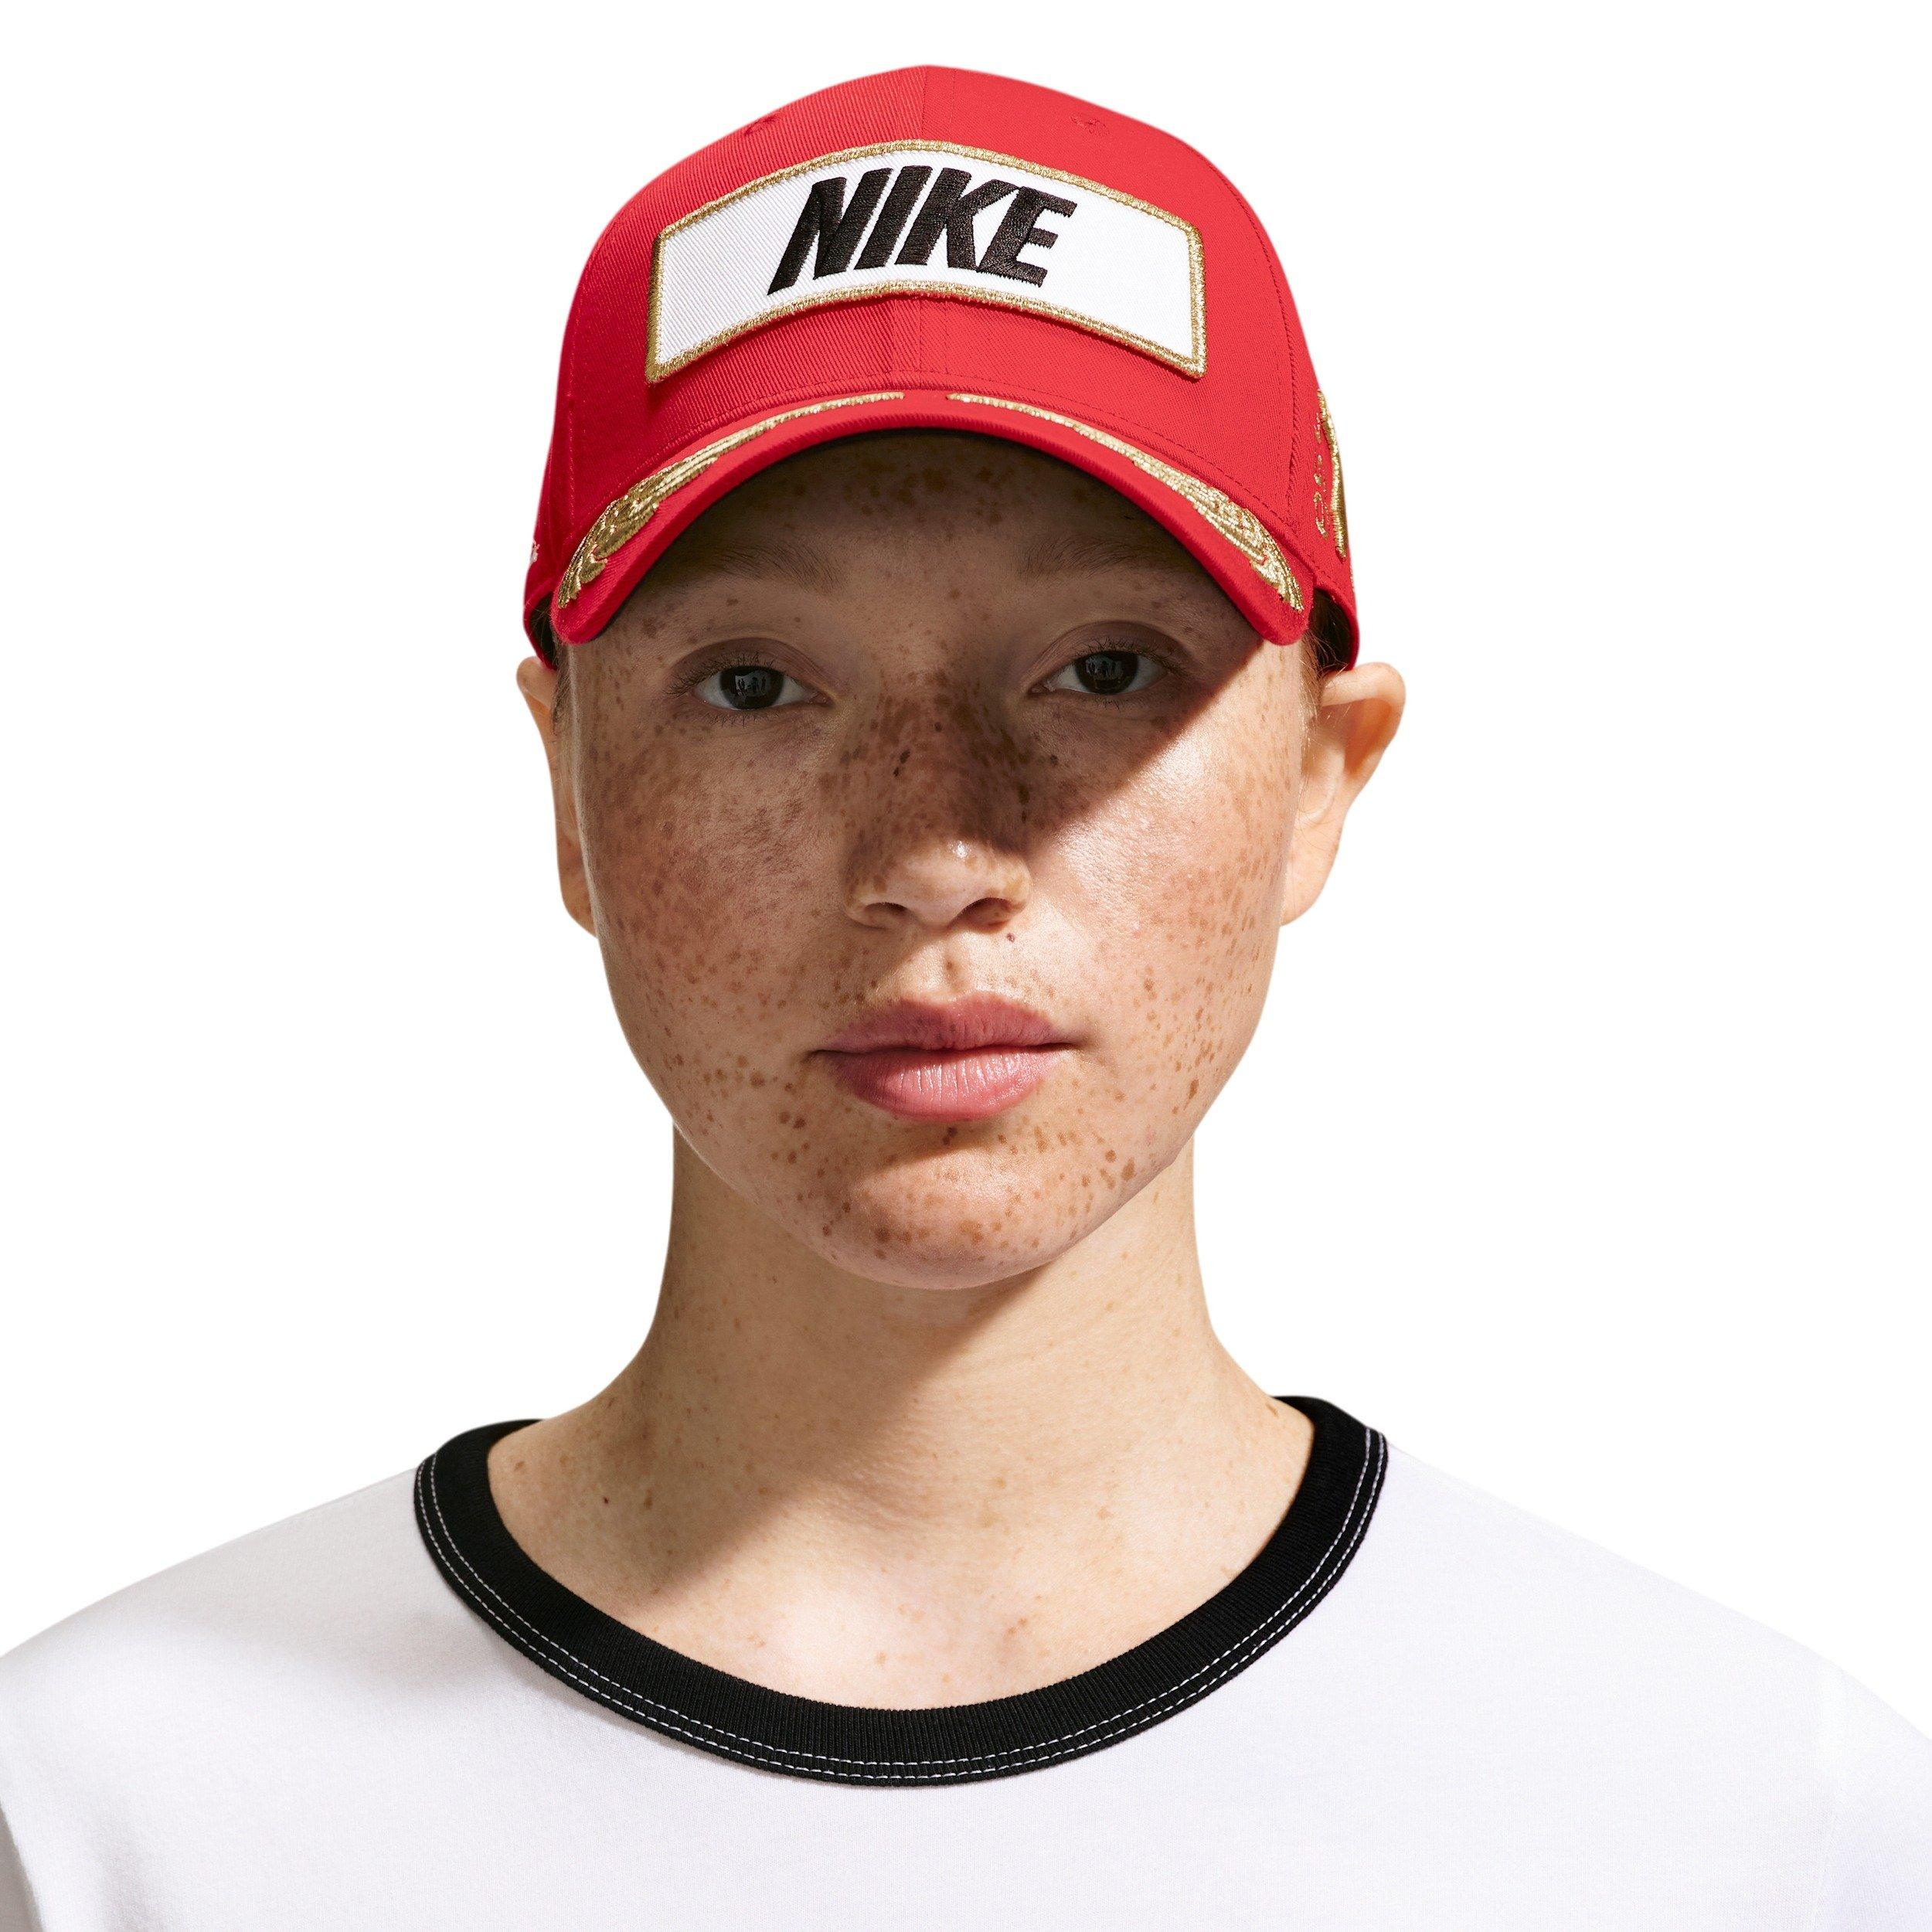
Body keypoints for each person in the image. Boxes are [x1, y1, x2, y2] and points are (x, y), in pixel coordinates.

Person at [1, 61, 1926, 1931]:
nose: (932, 845)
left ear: (1320, 777)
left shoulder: (1745, 1819)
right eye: (756, 683)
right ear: (566, 788)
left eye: (1103, 667)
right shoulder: (109, 1817)